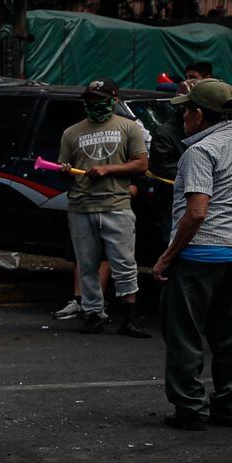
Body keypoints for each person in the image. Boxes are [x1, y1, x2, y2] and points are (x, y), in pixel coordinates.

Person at [150, 78, 232, 427]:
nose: (183, 117)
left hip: (199, 256)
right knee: (230, 338)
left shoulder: (199, 152)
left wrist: (168, 255)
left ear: (198, 114)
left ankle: (191, 410)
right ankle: (229, 407)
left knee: (184, 336)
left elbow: (197, 211)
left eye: (186, 110)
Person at [56, 78, 151, 337]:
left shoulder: (129, 128)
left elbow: (141, 164)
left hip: (116, 205)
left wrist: (108, 169)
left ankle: (129, 318)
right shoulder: (71, 133)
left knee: (124, 264)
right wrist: (64, 170)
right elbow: (62, 168)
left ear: (113, 100)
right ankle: (93, 314)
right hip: (81, 206)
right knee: (86, 264)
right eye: (89, 100)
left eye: (99, 99)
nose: (93, 104)